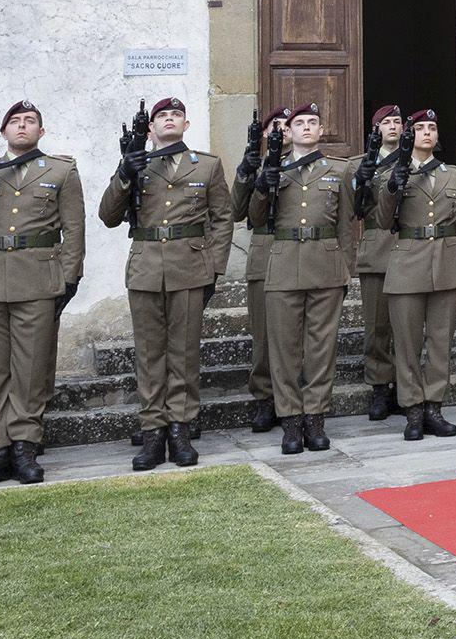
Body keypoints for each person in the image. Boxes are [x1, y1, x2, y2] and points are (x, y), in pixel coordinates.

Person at [0, 100, 83, 488]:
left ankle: (25, 445)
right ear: (4, 132)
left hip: (38, 278)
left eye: (30, 121)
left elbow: (74, 230)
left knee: (30, 368)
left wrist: (69, 278)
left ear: (41, 132)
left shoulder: (60, 170)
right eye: (15, 121)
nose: (22, 126)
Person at [102, 97, 234, 470]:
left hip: (190, 267)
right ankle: (152, 432)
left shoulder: (206, 165)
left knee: (184, 353)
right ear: (150, 129)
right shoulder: (136, 163)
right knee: (149, 354)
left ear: (186, 125)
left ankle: (180, 429)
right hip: (145, 267)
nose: (169, 119)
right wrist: (125, 172)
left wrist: (215, 268)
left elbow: (223, 219)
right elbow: (108, 215)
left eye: (176, 114)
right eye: (162, 116)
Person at [254, 104, 359, 454]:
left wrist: (344, 267)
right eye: (300, 123)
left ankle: (315, 417)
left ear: (321, 129)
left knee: (321, 348)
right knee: (283, 349)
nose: (307, 127)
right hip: (283, 265)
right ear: (289, 131)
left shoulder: (338, 170)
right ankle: (290, 420)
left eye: (313, 122)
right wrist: (262, 187)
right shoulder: (273, 167)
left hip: (325, 265)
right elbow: (254, 218)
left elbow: (346, 224)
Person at [381, 110, 456, 441]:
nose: (427, 133)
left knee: (440, 342)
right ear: (408, 135)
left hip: (448, 265)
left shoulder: (455, 176)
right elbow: (380, 218)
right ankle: (413, 409)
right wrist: (394, 184)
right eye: (420, 128)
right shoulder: (392, 173)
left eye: (432, 127)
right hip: (407, 263)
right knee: (407, 343)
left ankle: (434, 405)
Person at [232, 105, 291, 433]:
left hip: (295, 252)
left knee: (294, 334)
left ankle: (292, 398)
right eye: (275, 125)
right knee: (264, 336)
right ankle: (264, 399)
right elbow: (236, 211)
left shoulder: (301, 166)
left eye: (287, 125)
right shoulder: (255, 165)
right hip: (265, 253)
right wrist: (246, 172)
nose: (281, 130)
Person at [353, 106, 402, 422]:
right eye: (386, 122)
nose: (393, 126)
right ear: (376, 129)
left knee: (407, 327)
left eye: (398, 121)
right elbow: (354, 207)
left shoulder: (415, 161)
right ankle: (380, 388)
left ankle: (404, 386)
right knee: (377, 326)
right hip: (376, 249)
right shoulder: (362, 165)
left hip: (410, 249)